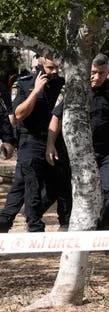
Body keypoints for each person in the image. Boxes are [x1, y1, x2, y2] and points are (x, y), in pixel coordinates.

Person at [46, 54, 109, 230]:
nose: (97, 77)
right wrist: (50, 144)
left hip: (106, 151)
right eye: (93, 72)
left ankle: (103, 229)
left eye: (102, 73)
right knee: (70, 190)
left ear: (108, 71)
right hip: (77, 152)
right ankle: (66, 224)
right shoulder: (73, 87)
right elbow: (57, 116)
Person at [2, 57, 70, 232]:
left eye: (57, 67)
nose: (54, 71)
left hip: (55, 139)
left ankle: (7, 219)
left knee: (57, 183)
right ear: (39, 68)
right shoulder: (22, 84)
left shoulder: (62, 84)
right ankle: (34, 226)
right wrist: (36, 91)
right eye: (50, 68)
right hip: (30, 140)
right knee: (31, 182)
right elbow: (19, 115)